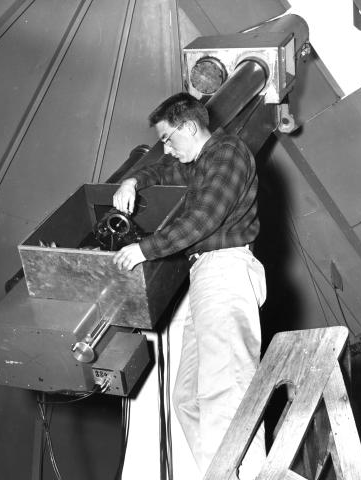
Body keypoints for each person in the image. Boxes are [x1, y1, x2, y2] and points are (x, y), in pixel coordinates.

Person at [112, 92, 267, 479]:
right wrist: (132, 179)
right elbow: (162, 169)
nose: (165, 146)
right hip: (205, 275)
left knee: (226, 390)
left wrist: (144, 249)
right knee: (187, 400)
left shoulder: (227, 152)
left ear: (189, 127)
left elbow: (204, 218)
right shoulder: (196, 164)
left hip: (226, 270)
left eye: (167, 137)